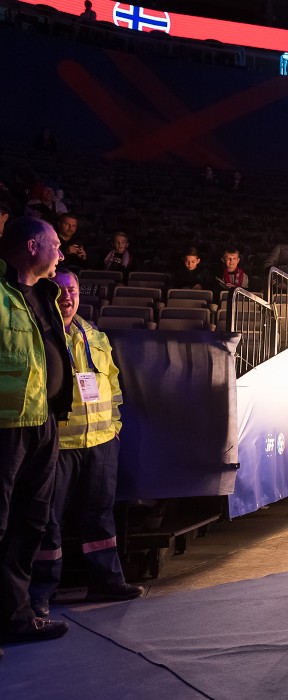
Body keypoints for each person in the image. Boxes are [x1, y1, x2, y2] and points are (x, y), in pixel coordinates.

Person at [29, 269, 144, 617]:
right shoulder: (39, 335)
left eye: (73, 290)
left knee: (100, 516)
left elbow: (113, 385)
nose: (67, 297)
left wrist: (116, 426)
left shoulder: (94, 334)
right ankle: (39, 594)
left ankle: (106, 581)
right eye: (60, 290)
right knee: (48, 521)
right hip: (58, 446)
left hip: (101, 442)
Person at [0, 217, 74, 655]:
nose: (61, 253)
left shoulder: (47, 294)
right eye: (56, 244)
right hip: (6, 428)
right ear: (31, 246)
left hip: (42, 422)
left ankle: (15, 615)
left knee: (30, 521)